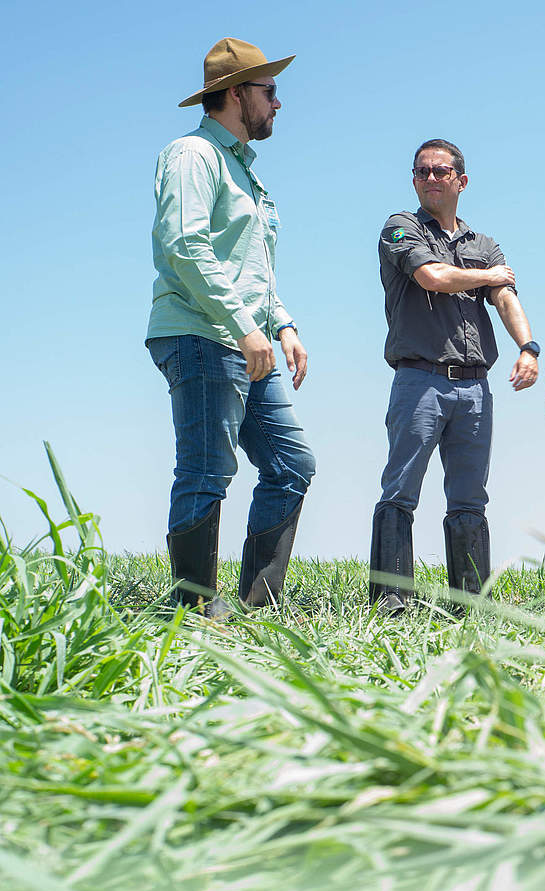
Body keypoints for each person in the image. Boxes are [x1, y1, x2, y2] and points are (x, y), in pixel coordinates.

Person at [147, 37, 315, 615]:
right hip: (201, 334)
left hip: (248, 337)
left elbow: (250, 266)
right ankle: (193, 611)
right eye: (270, 92)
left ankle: (253, 608)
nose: (278, 103)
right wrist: (246, 327)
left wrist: (282, 323)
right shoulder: (192, 155)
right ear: (237, 94)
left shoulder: (244, 171)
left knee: (292, 464)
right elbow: (186, 247)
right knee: (206, 468)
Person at [371, 139, 539, 610]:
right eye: (421, 172)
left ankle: (469, 603)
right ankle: (391, 601)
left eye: (440, 172)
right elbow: (433, 278)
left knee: (470, 496)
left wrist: (527, 347)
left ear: (461, 181)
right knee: (401, 487)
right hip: (419, 380)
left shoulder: (482, 244)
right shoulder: (401, 228)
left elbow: (507, 298)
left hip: (474, 387)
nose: (429, 179)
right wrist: (489, 277)